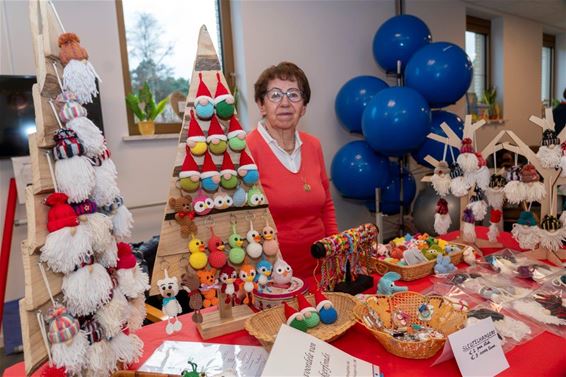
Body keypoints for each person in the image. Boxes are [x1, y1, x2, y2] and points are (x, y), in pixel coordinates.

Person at [247, 62, 338, 279]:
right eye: (275, 95)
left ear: (304, 107)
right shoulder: (247, 149)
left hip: (319, 267)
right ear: (261, 105)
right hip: (270, 272)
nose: (285, 103)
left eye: (294, 95)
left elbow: (326, 204)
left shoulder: (313, 145)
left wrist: (335, 250)